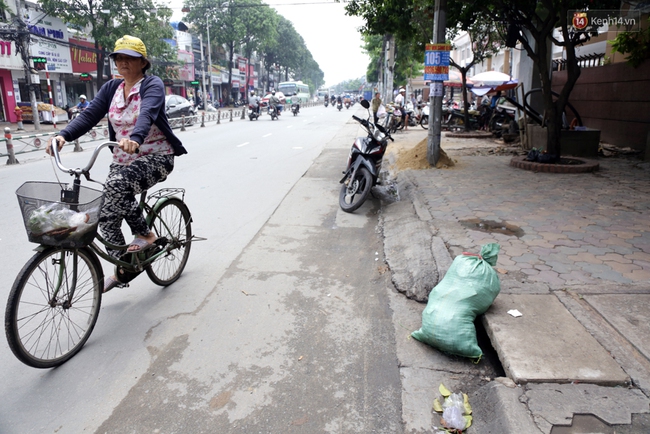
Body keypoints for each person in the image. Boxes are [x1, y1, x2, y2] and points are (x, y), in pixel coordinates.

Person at [46, 35, 188, 293]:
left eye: (129, 57)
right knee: (107, 218)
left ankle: (145, 234)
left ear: (142, 62)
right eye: (118, 57)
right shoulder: (111, 88)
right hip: (122, 159)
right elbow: (89, 115)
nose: (122, 62)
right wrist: (63, 135)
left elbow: (148, 112)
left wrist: (135, 138)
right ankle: (126, 268)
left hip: (155, 156)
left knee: (117, 185)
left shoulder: (151, 85)